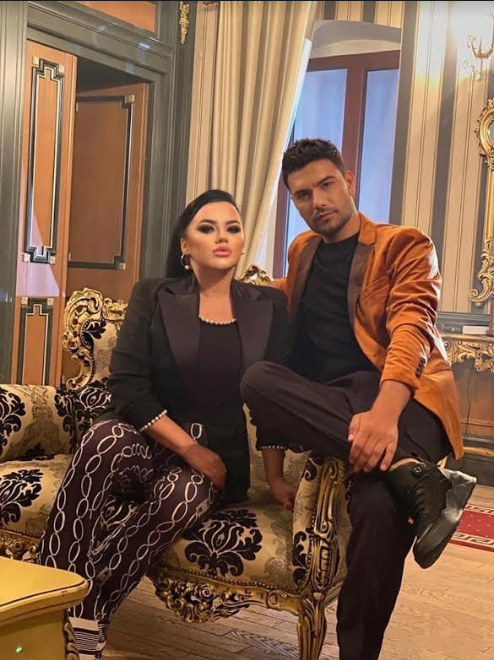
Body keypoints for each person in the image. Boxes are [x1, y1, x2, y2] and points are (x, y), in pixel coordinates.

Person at [240, 139, 476, 660]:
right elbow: (288, 343)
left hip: (406, 396)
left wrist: (384, 417)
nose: (317, 201)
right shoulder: (301, 251)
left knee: (378, 505)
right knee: (259, 380)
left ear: (348, 181)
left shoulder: (404, 245)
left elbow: (412, 328)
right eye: (303, 195)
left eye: (326, 185)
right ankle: (418, 477)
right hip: (338, 404)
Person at [37, 189, 290, 660]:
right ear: (185, 244)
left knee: (182, 495)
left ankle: (90, 610)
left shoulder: (268, 306)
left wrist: (274, 477)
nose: (222, 237)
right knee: (103, 436)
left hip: (214, 459)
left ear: (242, 242)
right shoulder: (154, 294)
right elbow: (128, 386)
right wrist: (187, 447)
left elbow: (272, 401)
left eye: (232, 228)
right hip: (143, 440)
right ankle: (46, 595)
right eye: (207, 228)